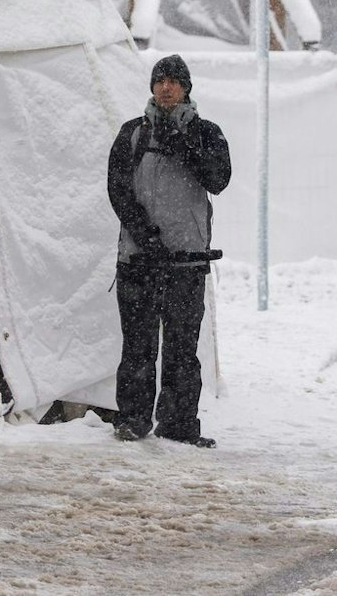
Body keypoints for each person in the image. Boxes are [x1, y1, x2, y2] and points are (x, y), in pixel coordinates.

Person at [106, 55, 231, 447]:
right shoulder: (132, 134)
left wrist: (186, 142)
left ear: (186, 88)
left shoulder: (207, 133)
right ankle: (133, 421)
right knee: (138, 347)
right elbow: (118, 191)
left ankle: (178, 425)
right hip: (139, 261)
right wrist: (145, 236)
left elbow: (219, 178)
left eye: (174, 81)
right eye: (160, 80)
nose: (166, 87)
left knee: (181, 349)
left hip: (187, 263)